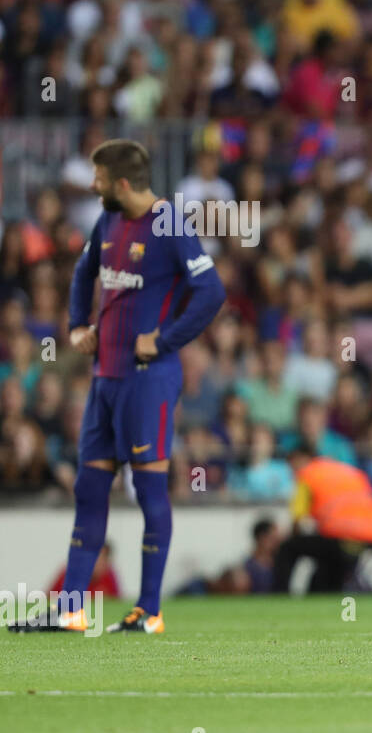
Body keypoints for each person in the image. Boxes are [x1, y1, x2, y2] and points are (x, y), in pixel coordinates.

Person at [10, 139, 226, 635]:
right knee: (90, 489)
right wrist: (75, 326)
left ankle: (148, 611)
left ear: (121, 183)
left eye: (99, 178)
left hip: (148, 380)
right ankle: (71, 609)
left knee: (150, 488)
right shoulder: (107, 220)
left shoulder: (170, 222)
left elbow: (211, 290)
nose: (92, 185)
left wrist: (165, 339)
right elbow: (85, 271)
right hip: (105, 378)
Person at [272, 450, 372, 593]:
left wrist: (290, 535)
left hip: (338, 537)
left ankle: (280, 594)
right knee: (329, 563)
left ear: (301, 459)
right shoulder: (353, 473)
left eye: (291, 467)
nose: (291, 473)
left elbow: (298, 517)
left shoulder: (308, 474)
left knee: (287, 548)